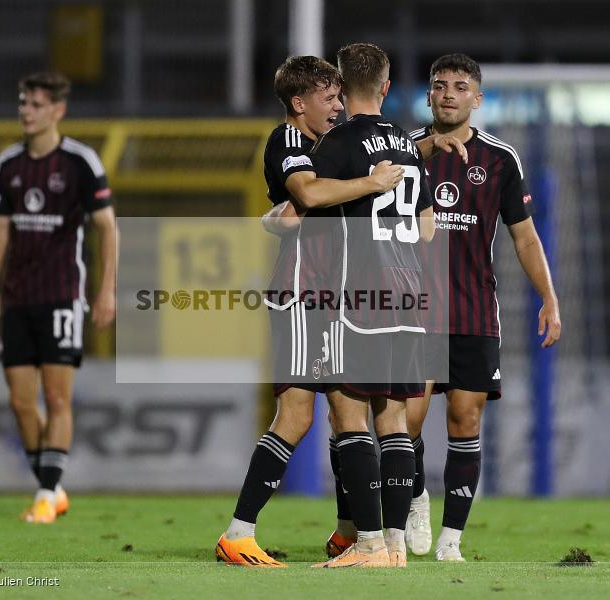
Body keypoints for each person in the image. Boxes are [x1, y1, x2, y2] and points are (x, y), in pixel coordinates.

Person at [215, 56, 405, 567]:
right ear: (300, 104)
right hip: (305, 293)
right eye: (329, 98)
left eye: (342, 97)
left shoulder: (326, 144)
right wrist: (371, 184)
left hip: (336, 293)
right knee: (301, 416)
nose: (339, 106)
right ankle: (240, 532)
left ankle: (351, 535)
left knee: (347, 410)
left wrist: (423, 148)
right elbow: (307, 194)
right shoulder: (289, 143)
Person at [404, 54, 561, 560]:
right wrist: (425, 148)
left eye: (460, 86)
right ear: (428, 95)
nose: (448, 93)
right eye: (439, 85)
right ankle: (414, 499)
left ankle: (452, 539)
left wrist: (549, 297)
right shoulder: (403, 152)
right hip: (412, 310)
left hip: (472, 311)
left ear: (477, 98)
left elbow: (525, 237)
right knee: (406, 421)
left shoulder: (500, 159)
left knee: (465, 422)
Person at [291, 42, 437, 569]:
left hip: (361, 295)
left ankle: (369, 543)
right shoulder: (407, 145)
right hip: (409, 293)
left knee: (347, 412)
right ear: (386, 85)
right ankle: (394, 544)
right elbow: (427, 226)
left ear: (340, 87)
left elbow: (306, 198)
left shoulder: (338, 142)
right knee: (394, 417)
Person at [0, 71, 117, 525]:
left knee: (57, 398)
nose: (26, 111)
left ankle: (44, 492)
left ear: (57, 111)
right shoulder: (9, 164)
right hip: (18, 296)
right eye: (23, 102)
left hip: (62, 294)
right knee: (21, 401)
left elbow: (106, 228)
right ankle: (53, 487)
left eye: (36, 104)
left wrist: (105, 290)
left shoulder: (80, 161)